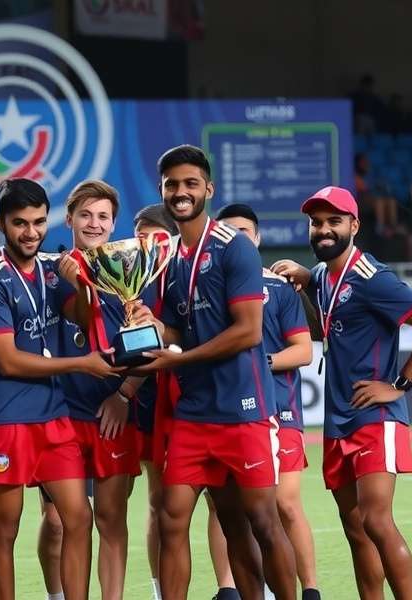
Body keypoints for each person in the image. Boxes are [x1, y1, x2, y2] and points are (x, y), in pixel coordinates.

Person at [138, 145, 297, 600]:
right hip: (194, 412)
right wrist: (150, 327)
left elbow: (248, 331)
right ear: (162, 191)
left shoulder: (235, 247)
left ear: (208, 188)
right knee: (172, 516)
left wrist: (177, 359)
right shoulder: (168, 256)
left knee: (260, 522)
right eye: (172, 185)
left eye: (190, 184)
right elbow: (174, 325)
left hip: (243, 409)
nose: (181, 192)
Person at [273, 185, 412, 599]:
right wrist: (302, 275)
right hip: (339, 419)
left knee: (376, 521)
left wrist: (399, 385)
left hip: (374, 416)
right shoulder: (323, 276)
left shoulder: (372, 277)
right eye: (317, 223)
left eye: (334, 221)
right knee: (355, 528)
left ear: (355, 225)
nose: (324, 230)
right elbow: (326, 316)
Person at [0, 178, 122, 600]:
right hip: (6, 416)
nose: (31, 232)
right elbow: (8, 360)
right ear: (1, 223)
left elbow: (87, 321)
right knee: (5, 525)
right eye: (20, 223)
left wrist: (85, 284)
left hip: (53, 417)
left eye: (38, 222)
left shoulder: (55, 272)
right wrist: (81, 365)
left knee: (77, 517)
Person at [50, 179, 156, 600]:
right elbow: (76, 317)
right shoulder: (51, 272)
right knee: (67, 521)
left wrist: (124, 394)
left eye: (103, 217)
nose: (94, 224)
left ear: (114, 224)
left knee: (111, 517)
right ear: (70, 218)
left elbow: (150, 346)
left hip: (113, 411)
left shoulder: (131, 273)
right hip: (62, 414)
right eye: (86, 215)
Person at [217, 204, 320, 600]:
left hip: (279, 409)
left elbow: (303, 351)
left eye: (245, 230)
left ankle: (309, 588)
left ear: (257, 238)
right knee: (226, 508)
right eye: (229, 232)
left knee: (285, 503)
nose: (238, 238)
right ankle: (230, 588)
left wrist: (259, 362)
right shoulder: (212, 286)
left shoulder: (278, 288)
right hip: (227, 413)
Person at [132, 203, 177, 600]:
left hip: (196, 398)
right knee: (158, 501)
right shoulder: (131, 282)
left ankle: (236, 587)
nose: (147, 245)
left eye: (155, 236)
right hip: (149, 398)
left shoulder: (186, 275)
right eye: (140, 236)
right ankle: (160, 590)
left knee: (224, 502)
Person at [354, 153, 399, 236]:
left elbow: (375, 186)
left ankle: (393, 225)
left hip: (373, 198)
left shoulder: (369, 174)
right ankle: (380, 227)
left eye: (366, 162)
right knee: (379, 202)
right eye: (363, 162)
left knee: (391, 201)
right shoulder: (355, 176)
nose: (366, 164)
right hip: (360, 200)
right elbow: (364, 189)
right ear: (358, 163)